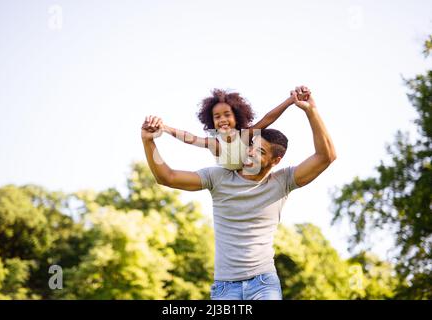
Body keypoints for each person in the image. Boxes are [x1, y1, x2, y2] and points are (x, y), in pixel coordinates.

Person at [141, 86, 336, 300]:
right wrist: (148, 142)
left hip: (264, 284)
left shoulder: (283, 181)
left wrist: (311, 110)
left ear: (275, 161)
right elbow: (166, 177)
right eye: (252, 146)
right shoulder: (219, 177)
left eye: (260, 151)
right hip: (225, 288)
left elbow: (325, 156)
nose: (251, 152)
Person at [159, 88, 309, 170]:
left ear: (237, 117)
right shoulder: (214, 144)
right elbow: (189, 138)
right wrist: (165, 128)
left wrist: (290, 101)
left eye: (227, 115)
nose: (222, 120)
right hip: (229, 178)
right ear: (212, 121)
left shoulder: (245, 135)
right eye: (217, 117)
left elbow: (267, 119)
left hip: (252, 173)